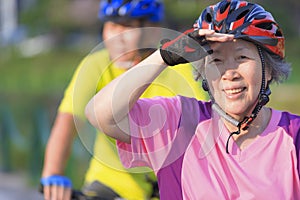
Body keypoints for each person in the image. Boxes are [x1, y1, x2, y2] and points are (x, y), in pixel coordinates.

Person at [85, 0, 300, 199]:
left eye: (241, 57)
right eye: (216, 60)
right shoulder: (178, 123)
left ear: (269, 69)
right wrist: (164, 56)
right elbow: (101, 113)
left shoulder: (294, 135)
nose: (229, 72)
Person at [40, 0, 207, 199]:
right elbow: (67, 122)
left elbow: (202, 129)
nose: (116, 37)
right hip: (109, 184)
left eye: (127, 28)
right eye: (111, 26)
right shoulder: (96, 64)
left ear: (152, 32)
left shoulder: (179, 70)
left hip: (168, 186)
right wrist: (52, 174)